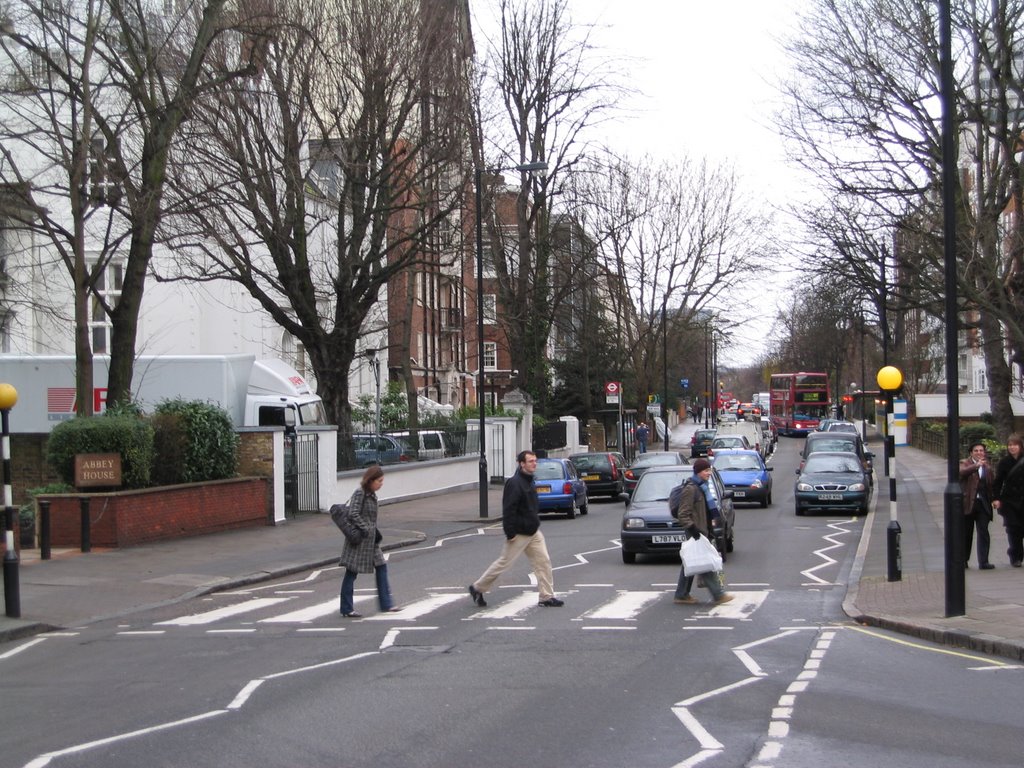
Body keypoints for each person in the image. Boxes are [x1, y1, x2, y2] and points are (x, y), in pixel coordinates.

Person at [468, 450, 564, 608]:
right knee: (504, 563)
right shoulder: (515, 482)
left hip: (533, 532)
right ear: (522, 464)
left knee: (543, 562)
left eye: (535, 461)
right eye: (531, 461)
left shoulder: (529, 480)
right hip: (519, 533)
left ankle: (546, 596)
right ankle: (477, 588)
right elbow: (508, 509)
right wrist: (510, 532)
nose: (534, 463)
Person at [671, 458, 734, 606]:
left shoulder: (702, 487)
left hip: (701, 529)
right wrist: (693, 529)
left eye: (709, 470)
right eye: (706, 471)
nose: (709, 473)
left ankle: (681, 594)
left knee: (692, 561)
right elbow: (683, 513)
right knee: (704, 561)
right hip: (695, 530)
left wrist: (709, 529)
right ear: (698, 472)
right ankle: (718, 595)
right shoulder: (691, 489)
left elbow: (705, 511)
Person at [338, 465, 399, 617]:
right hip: (359, 540)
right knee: (351, 573)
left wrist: (373, 532)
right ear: (370, 480)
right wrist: (366, 529)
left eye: (382, 480)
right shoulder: (360, 493)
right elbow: (353, 513)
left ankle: (386, 604)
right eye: (379, 480)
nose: (381, 484)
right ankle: (346, 608)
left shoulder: (371, 494)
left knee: (382, 567)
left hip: (371, 542)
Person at [959, 441, 994, 569]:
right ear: (971, 453)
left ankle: (983, 561)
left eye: (981, 450)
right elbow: (962, 473)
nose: (979, 453)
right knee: (967, 533)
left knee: (983, 531)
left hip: (983, 503)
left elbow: (990, 484)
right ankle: (963, 560)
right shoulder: (965, 463)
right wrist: (976, 466)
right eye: (976, 451)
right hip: (968, 503)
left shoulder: (987, 467)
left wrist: (994, 499)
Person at [993, 433, 1024, 568]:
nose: (1012, 448)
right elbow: (998, 482)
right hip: (1010, 501)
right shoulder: (1004, 463)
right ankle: (1015, 556)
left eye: (1015, 445)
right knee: (1013, 529)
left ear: (1020, 446)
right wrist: (996, 498)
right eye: (1010, 445)